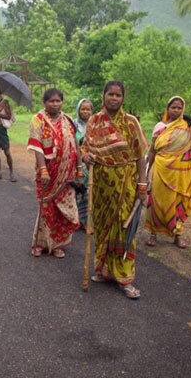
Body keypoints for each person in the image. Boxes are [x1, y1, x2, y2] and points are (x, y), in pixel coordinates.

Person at [80, 80, 148, 299]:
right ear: (103, 95)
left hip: (126, 183)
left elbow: (139, 156)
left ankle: (125, 278)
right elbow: (85, 147)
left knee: (123, 227)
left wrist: (142, 184)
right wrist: (86, 156)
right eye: (110, 94)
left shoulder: (131, 123)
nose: (114, 98)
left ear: (123, 98)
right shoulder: (94, 121)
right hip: (100, 184)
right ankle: (104, 270)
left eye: (118, 95)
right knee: (102, 226)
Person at [28, 88, 83, 259]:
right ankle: (41, 243)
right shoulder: (38, 120)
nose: (55, 104)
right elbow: (37, 146)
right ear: (44, 103)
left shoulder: (67, 121)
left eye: (58, 101)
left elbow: (75, 146)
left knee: (63, 211)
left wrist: (80, 169)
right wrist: (43, 169)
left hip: (67, 175)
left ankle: (59, 244)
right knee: (47, 209)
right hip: (48, 174)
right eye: (51, 101)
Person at [145, 96, 191, 249]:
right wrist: (146, 171)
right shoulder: (160, 127)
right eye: (173, 107)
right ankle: (153, 234)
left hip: (181, 173)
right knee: (157, 201)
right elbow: (152, 150)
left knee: (178, 202)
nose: (176, 110)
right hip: (161, 170)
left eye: (179, 108)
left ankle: (177, 235)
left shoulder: (187, 128)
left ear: (183, 110)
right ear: (168, 108)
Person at [73, 98, 93, 228]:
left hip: (90, 164)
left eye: (88, 109)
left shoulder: (95, 124)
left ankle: (87, 222)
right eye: (83, 109)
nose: (85, 111)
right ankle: (76, 220)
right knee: (76, 191)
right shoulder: (73, 125)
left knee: (89, 193)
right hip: (76, 163)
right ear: (78, 110)